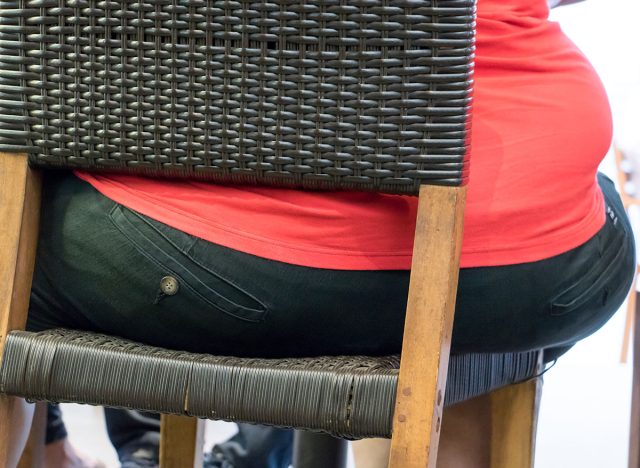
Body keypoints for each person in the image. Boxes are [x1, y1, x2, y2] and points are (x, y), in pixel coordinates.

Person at [10, 0, 635, 467]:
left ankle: (72, 451)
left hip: (234, 249)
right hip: (548, 259)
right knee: (452, 314)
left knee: (13, 237)